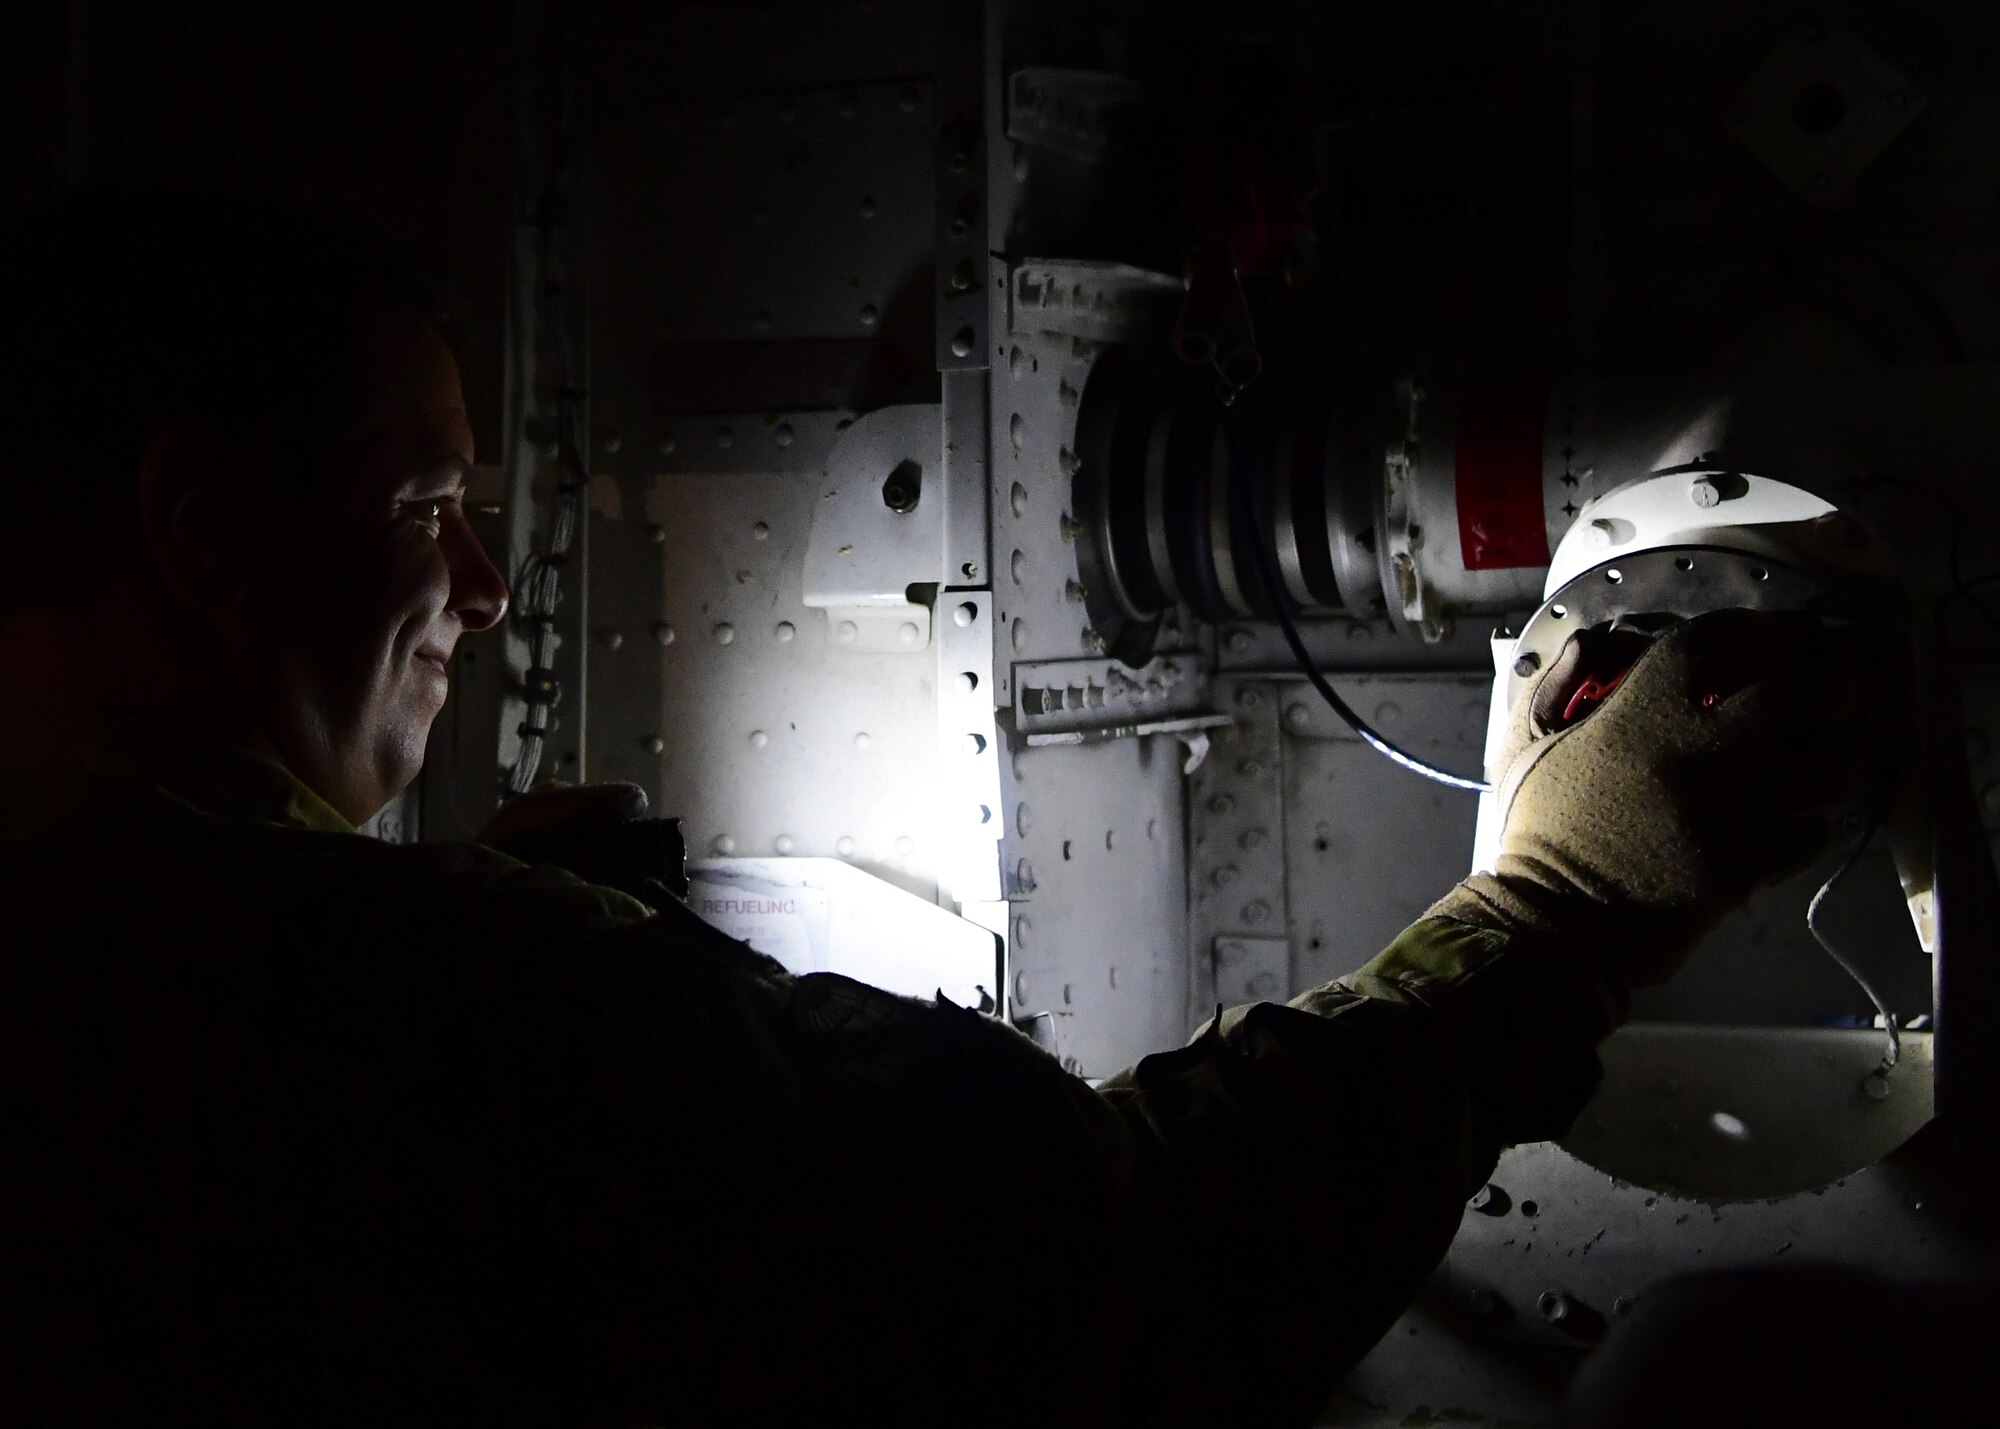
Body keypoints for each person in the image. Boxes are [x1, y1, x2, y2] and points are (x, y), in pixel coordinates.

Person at [0, 191, 1870, 1427]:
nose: (486, 590)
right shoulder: (432, 997)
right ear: (198, 530)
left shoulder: (150, 936)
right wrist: (1559, 906)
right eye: (426, 511)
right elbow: (1111, 1274)